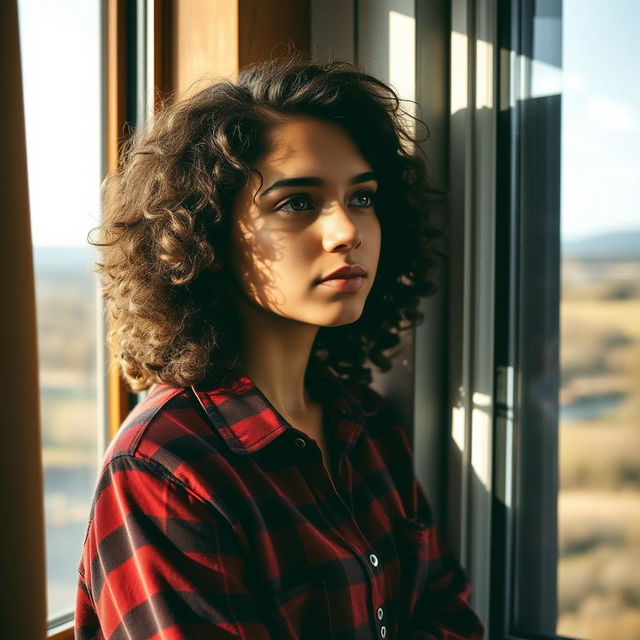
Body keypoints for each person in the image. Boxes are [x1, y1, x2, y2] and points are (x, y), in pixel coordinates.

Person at [75, 55, 485, 640]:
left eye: (363, 197)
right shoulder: (164, 470)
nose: (348, 230)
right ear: (206, 232)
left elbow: (449, 617)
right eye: (297, 203)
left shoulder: (367, 424)